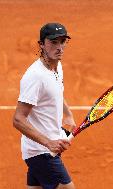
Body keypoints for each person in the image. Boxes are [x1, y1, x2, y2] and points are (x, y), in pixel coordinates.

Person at [13, 23, 76, 189]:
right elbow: (18, 119)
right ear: (41, 44)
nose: (59, 47)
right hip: (41, 151)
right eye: (53, 42)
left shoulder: (57, 66)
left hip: (46, 147)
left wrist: (68, 114)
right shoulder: (35, 76)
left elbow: (57, 92)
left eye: (62, 42)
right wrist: (49, 143)